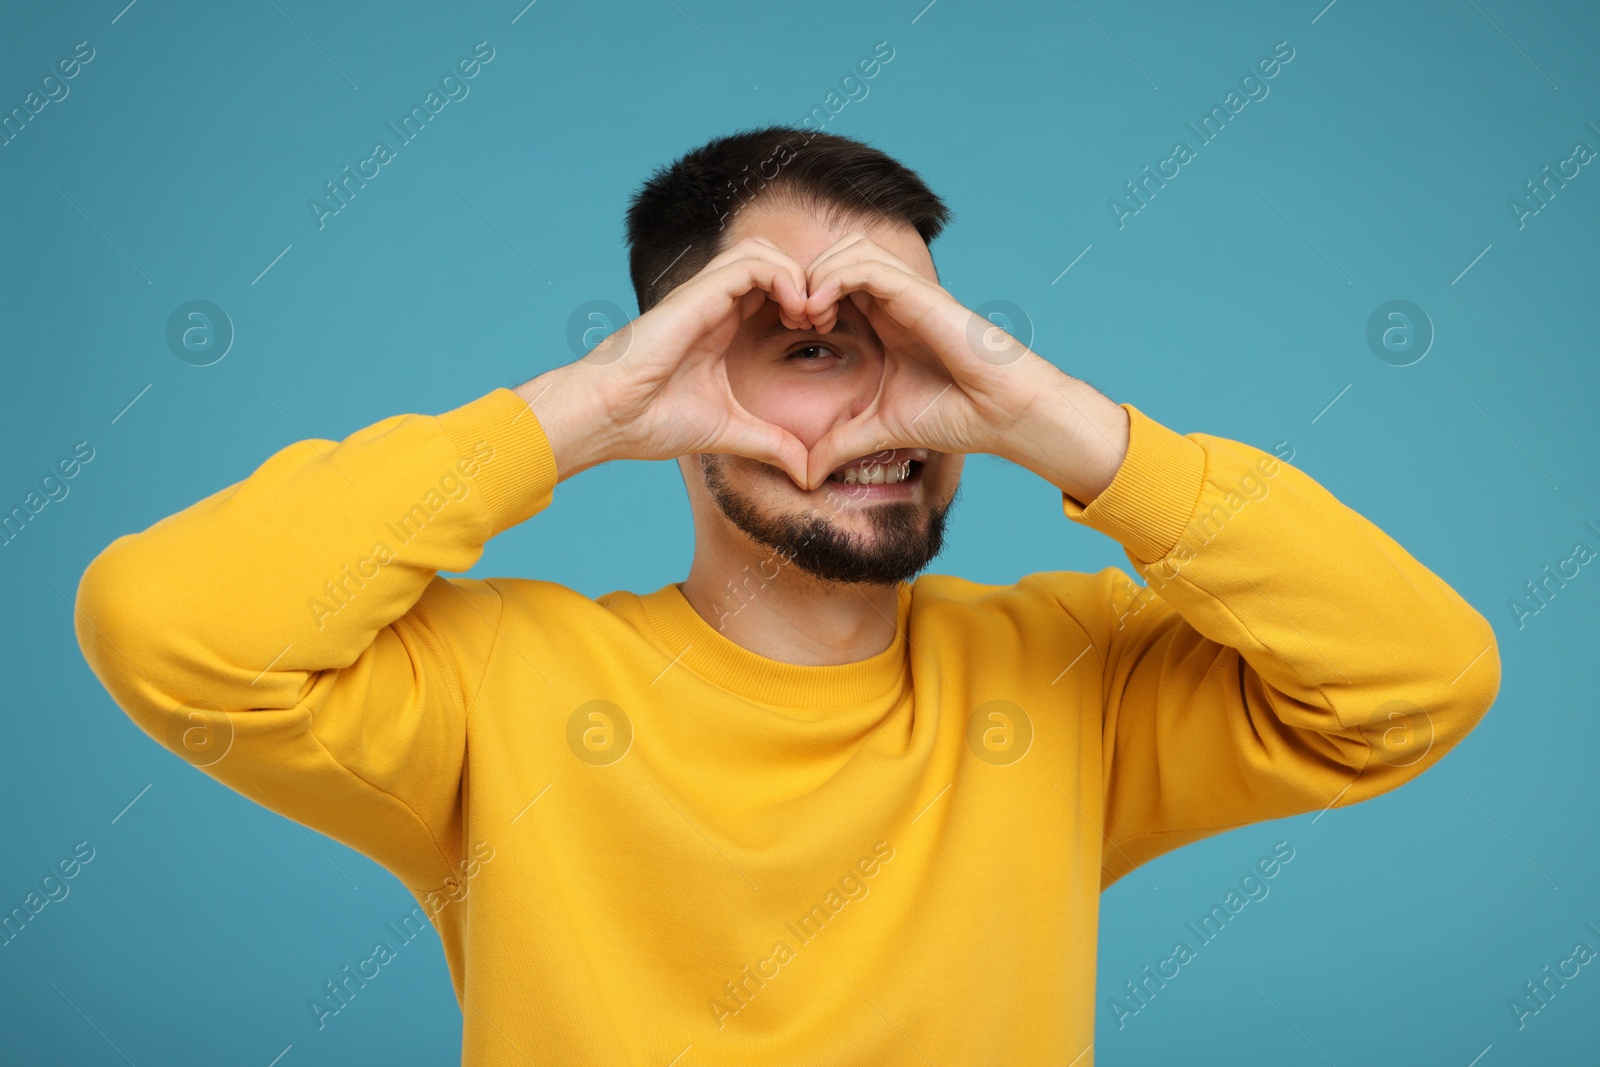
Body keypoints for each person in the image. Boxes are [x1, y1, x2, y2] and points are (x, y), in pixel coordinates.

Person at [74, 125, 1501, 1065]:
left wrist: (1054, 416)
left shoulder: (1073, 678)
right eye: (814, 345)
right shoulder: (492, 685)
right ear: (681, 362)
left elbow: (1420, 678)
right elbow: (171, 630)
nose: (890, 402)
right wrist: (581, 409)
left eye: (916, 337)